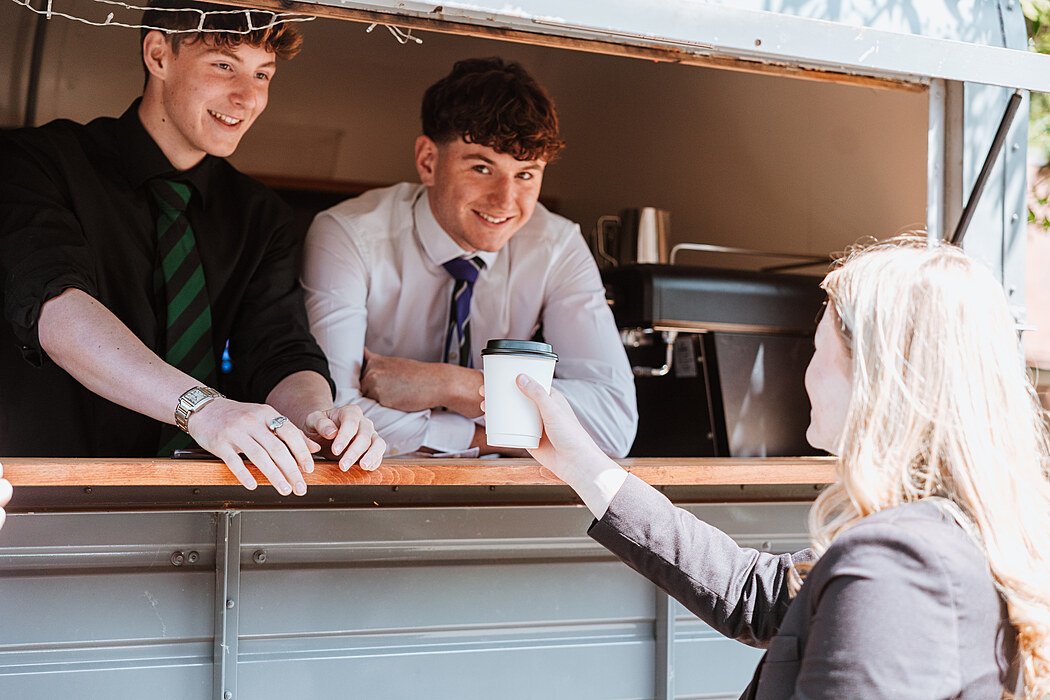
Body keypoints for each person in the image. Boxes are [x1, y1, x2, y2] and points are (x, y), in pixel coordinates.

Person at [505, 235, 1050, 698]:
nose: (804, 377)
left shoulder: (899, 563)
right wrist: (583, 463)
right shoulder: (955, 529)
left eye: (816, 352)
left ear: (877, 378)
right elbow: (758, 595)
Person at [0, 1, 385, 495]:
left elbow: (280, 347)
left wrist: (318, 417)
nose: (247, 98)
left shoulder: (258, 214)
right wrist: (201, 408)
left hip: (199, 504)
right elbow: (55, 309)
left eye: (263, 75)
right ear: (158, 55)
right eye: (224, 66)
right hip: (42, 497)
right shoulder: (38, 164)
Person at [302, 57, 637, 458]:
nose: (505, 201)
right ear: (428, 161)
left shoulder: (557, 245)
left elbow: (613, 427)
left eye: (526, 175)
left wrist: (453, 385)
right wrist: (501, 436)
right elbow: (331, 418)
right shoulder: (348, 234)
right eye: (482, 168)